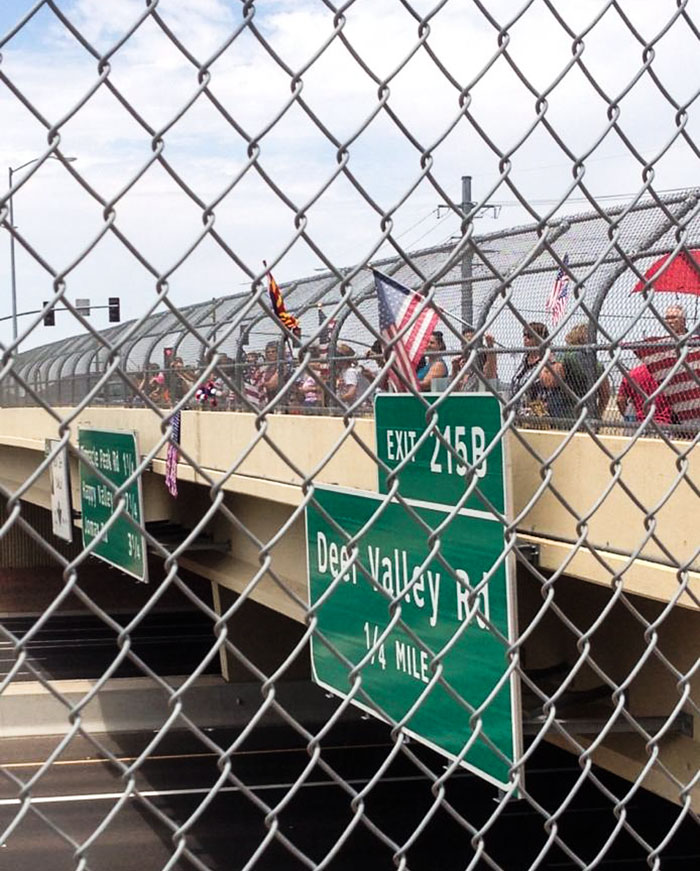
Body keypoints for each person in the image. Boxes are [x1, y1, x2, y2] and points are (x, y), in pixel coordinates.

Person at [510, 321, 567, 417]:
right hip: (518, 412)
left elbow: (551, 382)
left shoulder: (550, 358)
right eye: (524, 335)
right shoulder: (525, 358)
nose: (525, 339)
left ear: (540, 338)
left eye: (529, 336)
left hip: (540, 414)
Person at [560, 323, 611, 418]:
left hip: (564, 411)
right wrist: (598, 414)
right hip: (588, 412)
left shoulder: (565, 357)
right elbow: (605, 394)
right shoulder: (596, 364)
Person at [451, 326, 498, 391]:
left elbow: (490, 374)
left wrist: (490, 346)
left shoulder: (484, 356)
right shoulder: (461, 361)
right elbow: (454, 389)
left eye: (472, 342)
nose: (469, 346)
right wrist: (454, 369)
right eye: (466, 342)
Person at [336, 343, 371, 409]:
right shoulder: (344, 371)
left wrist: (336, 400)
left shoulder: (350, 371)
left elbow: (351, 393)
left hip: (361, 407)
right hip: (353, 406)